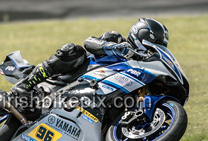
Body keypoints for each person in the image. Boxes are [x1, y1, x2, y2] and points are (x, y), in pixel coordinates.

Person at [12, 18, 169, 94]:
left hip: (94, 92)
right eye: (155, 42)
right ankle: (25, 84)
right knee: (73, 50)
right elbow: (89, 42)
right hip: (74, 75)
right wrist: (113, 47)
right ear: (142, 34)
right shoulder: (116, 39)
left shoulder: (140, 68)